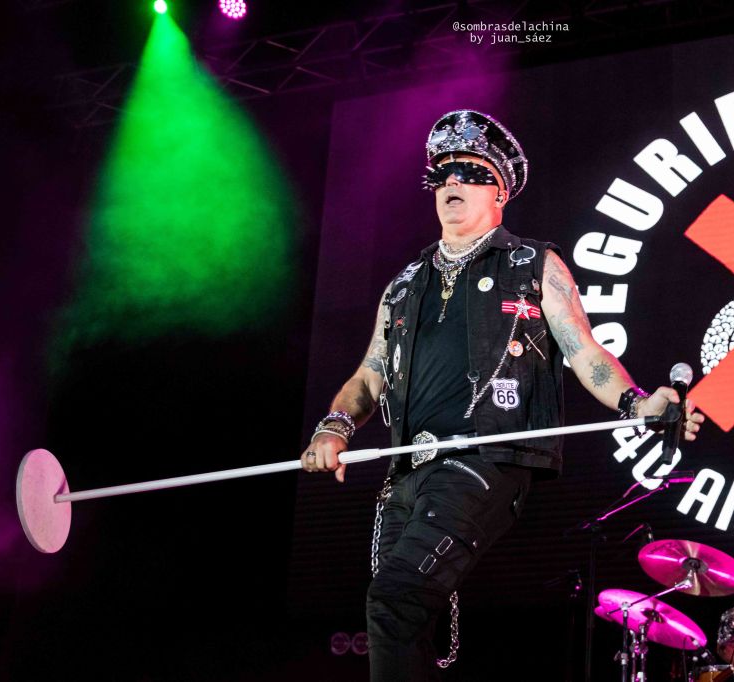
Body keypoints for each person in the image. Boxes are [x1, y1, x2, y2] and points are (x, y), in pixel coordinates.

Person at [299, 109, 705, 681]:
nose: (451, 183)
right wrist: (334, 426)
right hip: (407, 471)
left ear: (501, 190)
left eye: (469, 172)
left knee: (394, 599)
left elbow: (584, 352)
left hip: (483, 459)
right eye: (440, 174)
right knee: (400, 622)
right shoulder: (403, 285)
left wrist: (637, 404)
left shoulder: (533, 264)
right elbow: (369, 375)